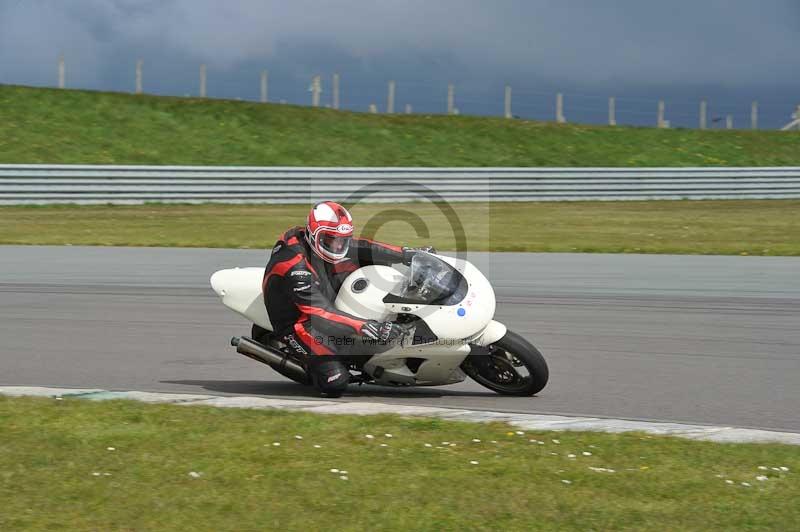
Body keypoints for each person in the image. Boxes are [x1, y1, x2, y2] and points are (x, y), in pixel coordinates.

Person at [262, 201, 433, 397]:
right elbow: (320, 312)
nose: (337, 246)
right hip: (299, 320)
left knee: (371, 258)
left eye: (342, 239)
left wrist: (406, 253)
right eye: (330, 240)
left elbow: (361, 245)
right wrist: (368, 326)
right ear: (312, 235)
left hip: (320, 288)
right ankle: (315, 367)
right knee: (336, 382)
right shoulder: (295, 267)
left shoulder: (325, 240)